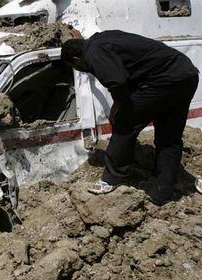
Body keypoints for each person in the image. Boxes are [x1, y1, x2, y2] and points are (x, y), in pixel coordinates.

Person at [61, 30, 199, 205]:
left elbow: (118, 81)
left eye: (76, 66)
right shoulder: (99, 40)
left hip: (163, 82)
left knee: (124, 124)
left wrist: (117, 106)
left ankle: (110, 179)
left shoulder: (93, 54)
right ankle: (161, 191)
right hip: (186, 75)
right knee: (169, 138)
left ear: (76, 60)